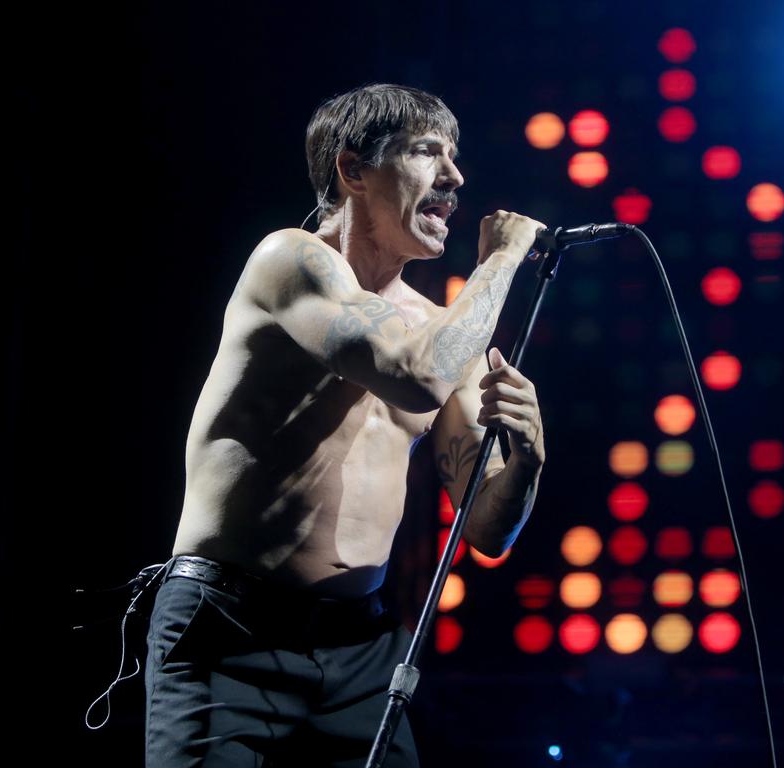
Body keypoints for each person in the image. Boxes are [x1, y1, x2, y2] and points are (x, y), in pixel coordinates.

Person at [144, 83, 546, 766]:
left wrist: (529, 460)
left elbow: (485, 528)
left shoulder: (442, 332)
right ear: (353, 170)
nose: (455, 178)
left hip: (361, 649)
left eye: (455, 157)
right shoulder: (288, 262)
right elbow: (413, 372)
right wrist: (502, 259)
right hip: (230, 631)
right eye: (428, 153)